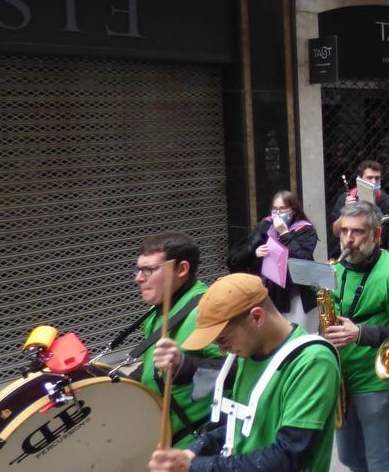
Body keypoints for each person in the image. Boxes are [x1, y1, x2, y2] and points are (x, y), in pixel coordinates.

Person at [148, 273, 340, 471]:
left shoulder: (312, 361)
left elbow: (289, 455)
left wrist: (195, 466)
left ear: (256, 317)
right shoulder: (247, 353)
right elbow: (236, 426)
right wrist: (194, 450)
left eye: (222, 340)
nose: (221, 350)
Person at [325, 202, 389, 472]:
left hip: (374, 379)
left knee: (380, 461)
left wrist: (361, 333)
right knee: (349, 457)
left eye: (357, 232)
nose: (348, 240)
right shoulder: (337, 267)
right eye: (344, 231)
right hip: (341, 376)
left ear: (377, 234)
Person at [132, 231, 224, 448]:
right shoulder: (158, 312)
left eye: (149, 270)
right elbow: (151, 367)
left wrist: (185, 366)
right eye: (138, 269)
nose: (138, 278)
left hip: (201, 442)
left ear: (182, 269)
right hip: (167, 440)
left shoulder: (207, 310)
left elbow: (240, 370)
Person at [228, 191, 319, 329]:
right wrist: (255, 253)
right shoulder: (265, 225)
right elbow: (237, 258)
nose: (277, 213)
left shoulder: (305, 229)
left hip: (296, 294)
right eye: (274, 209)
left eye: (282, 209)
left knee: (298, 332)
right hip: (269, 292)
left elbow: (302, 259)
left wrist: (284, 234)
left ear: (293, 210)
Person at [328, 160, 389, 260]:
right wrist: (346, 212)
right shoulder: (345, 198)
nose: (374, 182)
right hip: (347, 253)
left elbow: (382, 240)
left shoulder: (387, 203)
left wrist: (372, 210)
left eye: (377, 178)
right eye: (369, 178)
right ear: (359, 179)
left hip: (375, 256)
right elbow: (336, 232)